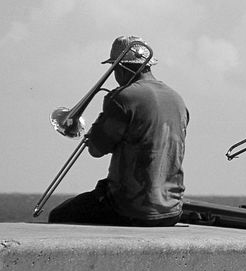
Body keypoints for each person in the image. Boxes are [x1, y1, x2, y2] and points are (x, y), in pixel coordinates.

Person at [48, 35, 189, 227]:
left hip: (131, 209)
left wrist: (97, 127)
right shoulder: (177, 99)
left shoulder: (122, 99)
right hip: (172, 210)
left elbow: (96, 150)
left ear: (119, 68)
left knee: (59, 215)